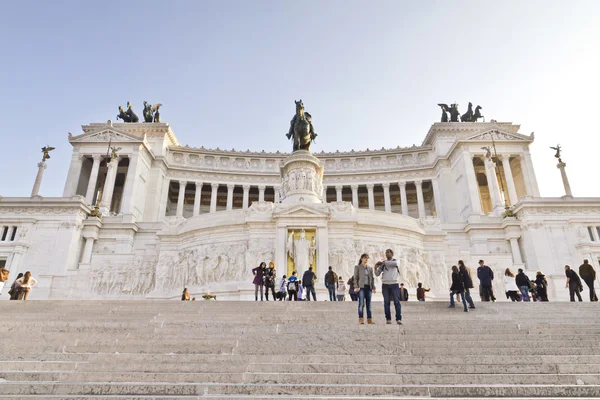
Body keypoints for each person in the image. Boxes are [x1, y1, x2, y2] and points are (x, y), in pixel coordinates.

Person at [375, 249, 402, 325]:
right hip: (385, 285)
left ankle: (398, 319)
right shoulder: (383, 265)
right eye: (386, 252)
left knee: (397, 302)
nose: (386, 253)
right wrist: (375, 268)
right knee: (386, 303)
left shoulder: (396, 261)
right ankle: (388, 319)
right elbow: (377, 274)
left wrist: (383, 263)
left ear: (392, 254)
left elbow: (394, 264)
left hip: (394, 284)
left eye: (388, 252)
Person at [353, 253, 375, 324]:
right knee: (361, 303)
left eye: (367, 258)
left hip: (368, 288)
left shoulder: (370, 268)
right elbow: (355, 278)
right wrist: (356, 286)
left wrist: (373, 287)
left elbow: (372, 278)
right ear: (361, 258)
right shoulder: (358, 267)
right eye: (365, 258)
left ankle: (369, 319)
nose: (366, 259)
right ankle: (361, 319)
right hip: (361, 287)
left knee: (369, 304)